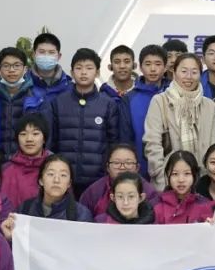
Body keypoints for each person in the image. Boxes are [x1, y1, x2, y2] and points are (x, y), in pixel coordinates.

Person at [49, 48, 131, 198]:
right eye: (79, 68)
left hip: (98, 179)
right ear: (72, 72)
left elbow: (113, 143)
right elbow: (51, 143)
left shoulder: (108, 104)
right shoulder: (58, 102)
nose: (83, 72)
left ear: (97, 72)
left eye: (89, 68)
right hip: (64, 178)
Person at [142, 53, 215, 190]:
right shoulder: (160, 101)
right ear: (174, 73)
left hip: (202, 180)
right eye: (184, 71)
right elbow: (152, 144)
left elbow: (214, 145)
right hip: (168, 180)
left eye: (194, 72)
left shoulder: (209, 105)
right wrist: (162, 178)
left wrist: (208, 180)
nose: (189, 76)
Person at [0, 47, 51, 158]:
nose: (12, 70)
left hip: (28, 163)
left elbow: (48, 135)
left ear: (25, 69)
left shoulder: (38, 99)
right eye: (6, 66)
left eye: (17, 65)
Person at [4, 154, 94, 240]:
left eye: (63, 175)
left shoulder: (81, 215)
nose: (56, 180)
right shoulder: (25, 209)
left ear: (69, 183)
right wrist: (10, 238)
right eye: (51, 174)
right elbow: (17, 245)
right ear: (41, 180)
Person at [79, 144, 162, 217]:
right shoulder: (94, 192)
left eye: (128, 163)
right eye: (116, 163)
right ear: (108, 167)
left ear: (137, 168)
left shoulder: (149, 192)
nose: (122, 167)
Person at [126, 44, 170, 173]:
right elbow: (125, 137)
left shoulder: (174, 95)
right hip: (138, 166)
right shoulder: (129, 99)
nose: (153, 69)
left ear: (165, 67)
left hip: (171, 166)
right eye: (148, 64)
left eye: (158, 64)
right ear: (140, 67)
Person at [0, 113, 51, 208]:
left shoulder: (54, 169)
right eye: (23, 134)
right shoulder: (5, 170)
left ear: (44, 139)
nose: (29, 139)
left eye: (35, 134)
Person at [154, 151, 214, 224]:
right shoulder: (157, 205)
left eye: (187, 173)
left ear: (195, 175)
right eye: (175, 174)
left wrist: (209, 227)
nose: (181, 180)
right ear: (167, 175)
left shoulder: (204, 205)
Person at [28, 32, 72, 102]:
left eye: (51, 52)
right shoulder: (24, 84)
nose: (46, 56)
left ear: (59, 56)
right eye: (42, 52)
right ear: (33, 55)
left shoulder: (69, 86)